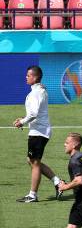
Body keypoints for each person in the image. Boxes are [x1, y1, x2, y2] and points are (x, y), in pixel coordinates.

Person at [13, 66, 63, 203]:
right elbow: (34, 112)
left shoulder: (37, 92)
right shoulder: (38, 91)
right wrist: (23, 119)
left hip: (39, 132)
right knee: (31, 160)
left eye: (28, 75)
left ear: (35, 77)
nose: (26, 77)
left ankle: (32, 195)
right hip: (39, 131)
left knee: (34, 163)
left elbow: (34, 114)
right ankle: (58, 182)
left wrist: (22, 122)